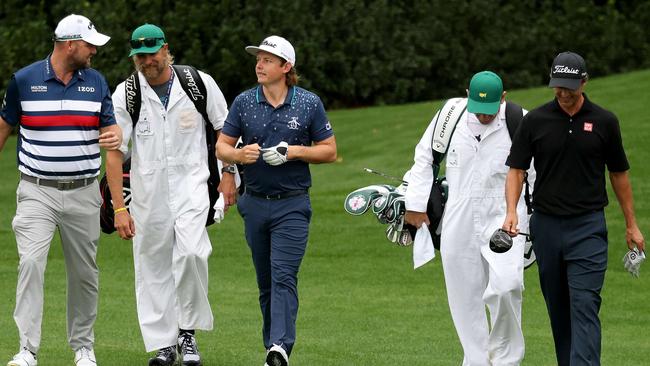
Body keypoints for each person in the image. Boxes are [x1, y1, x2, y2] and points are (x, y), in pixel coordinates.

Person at [502, 51, 646, 366]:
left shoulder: (605, 121)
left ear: (584, 81)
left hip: (588, 227)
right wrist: (511, 211)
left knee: (584, 303)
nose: (564, 94)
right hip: (546, 227)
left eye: (570, 87)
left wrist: (631, 224)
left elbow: (619, 174)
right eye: (558, 87)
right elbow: (516, 170)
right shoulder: (535, 121)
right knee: (559, 307)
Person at [105, 24, 233, 366]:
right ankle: (164, 344)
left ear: (166, 49)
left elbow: (226, 130)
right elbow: (116, 151)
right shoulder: (126, 94)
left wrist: (229, 176)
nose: (148, 61)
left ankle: (187, 333)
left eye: (152, 53)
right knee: (152, 267)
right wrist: (119, 208)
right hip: (148, 195)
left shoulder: (198, 83)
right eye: (140, 56)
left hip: (193, 186)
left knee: (192, 254)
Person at [0, 14, 119, 366]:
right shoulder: (24, 81)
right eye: (90, 44)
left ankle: (83, 347)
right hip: (37, 191)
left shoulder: (97, 83)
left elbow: (111, 136)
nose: (94, 50)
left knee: (84, 272)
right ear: (70, 45)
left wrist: (114, 136)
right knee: (31, 264)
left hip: (84, 192)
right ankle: (27, 349)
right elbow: (3, 129)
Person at [216, 35, 337, 366]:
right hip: (253, 203)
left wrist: (293, 151)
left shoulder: (308, 103)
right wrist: (239, 155)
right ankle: (274, 345)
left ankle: (280, 346)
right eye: (258, 59)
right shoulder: (243, 102)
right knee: (265, 280)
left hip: (292, 204)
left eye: (268, 60)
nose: (259, 64)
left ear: (286, 67)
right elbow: (222, 147)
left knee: (283, 274)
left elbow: (329, 150)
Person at [405, 71, 532, 365]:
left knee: (507, 286)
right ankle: (475, 360)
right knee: (464, 296)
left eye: (489, 111)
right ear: (467, 94)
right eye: (478, 109)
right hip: (459, 213)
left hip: (506, 216)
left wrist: (534, 216)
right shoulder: (450, 115)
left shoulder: (521, 120)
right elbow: (424, 159)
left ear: (503, 98)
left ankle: (506, 360)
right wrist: (415, 204)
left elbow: (535, 171)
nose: (483, 117)